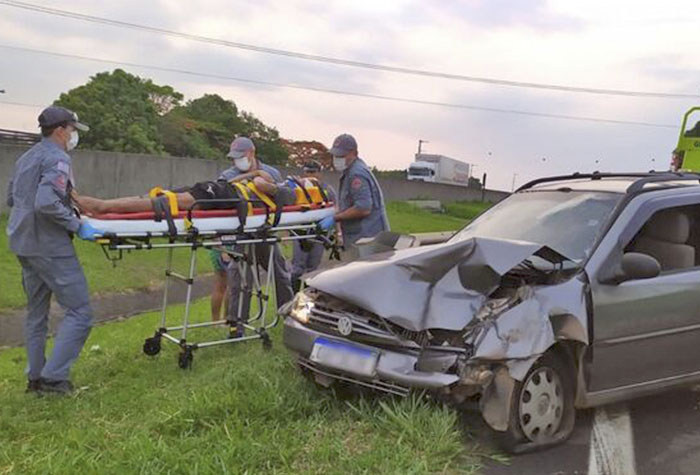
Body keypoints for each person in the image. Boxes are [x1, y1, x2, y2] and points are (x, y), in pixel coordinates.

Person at [6, 106, 103, 395]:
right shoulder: (57, 159)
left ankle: (35, 378)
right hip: (49, 246)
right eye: (73, 130)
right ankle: (54, 379)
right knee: (81, 312)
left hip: (23, 243)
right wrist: (76, 225)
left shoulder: (26, 157)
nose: (74, 136)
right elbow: (46, 202)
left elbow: (13, 197)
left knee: (36, 314)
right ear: (61, 130)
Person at [218, 137, 295, 335]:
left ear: (251, 153)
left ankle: (289, 317)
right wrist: (254, 174)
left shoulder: (272, 173)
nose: (237, 161)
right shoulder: (228, 174)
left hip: (265, 233)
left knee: (281, 273)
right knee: (239, 279)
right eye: (234, 158)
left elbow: (282, 198)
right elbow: (221, 195)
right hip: (241, 235)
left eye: (240, 156)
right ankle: (237, 325)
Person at [318, 133, 389, 246]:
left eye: (342, 156)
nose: (337, 159)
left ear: (354, 153)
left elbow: (363, 208)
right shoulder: (350, 172)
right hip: (359, 236)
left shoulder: (356, 174)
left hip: (366, 238)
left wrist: (335, 218)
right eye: (336, 156)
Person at [290, 160, 336, 292]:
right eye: (307, 172)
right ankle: (293, 298)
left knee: (313, 269)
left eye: (313, 172)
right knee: (298, 267)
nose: (310, 174)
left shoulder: (327, 190)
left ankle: (308, 300)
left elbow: (336, 210)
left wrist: (338, 233)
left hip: (320, 232)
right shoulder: (297, 188)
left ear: (320, 173)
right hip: (301, 231)